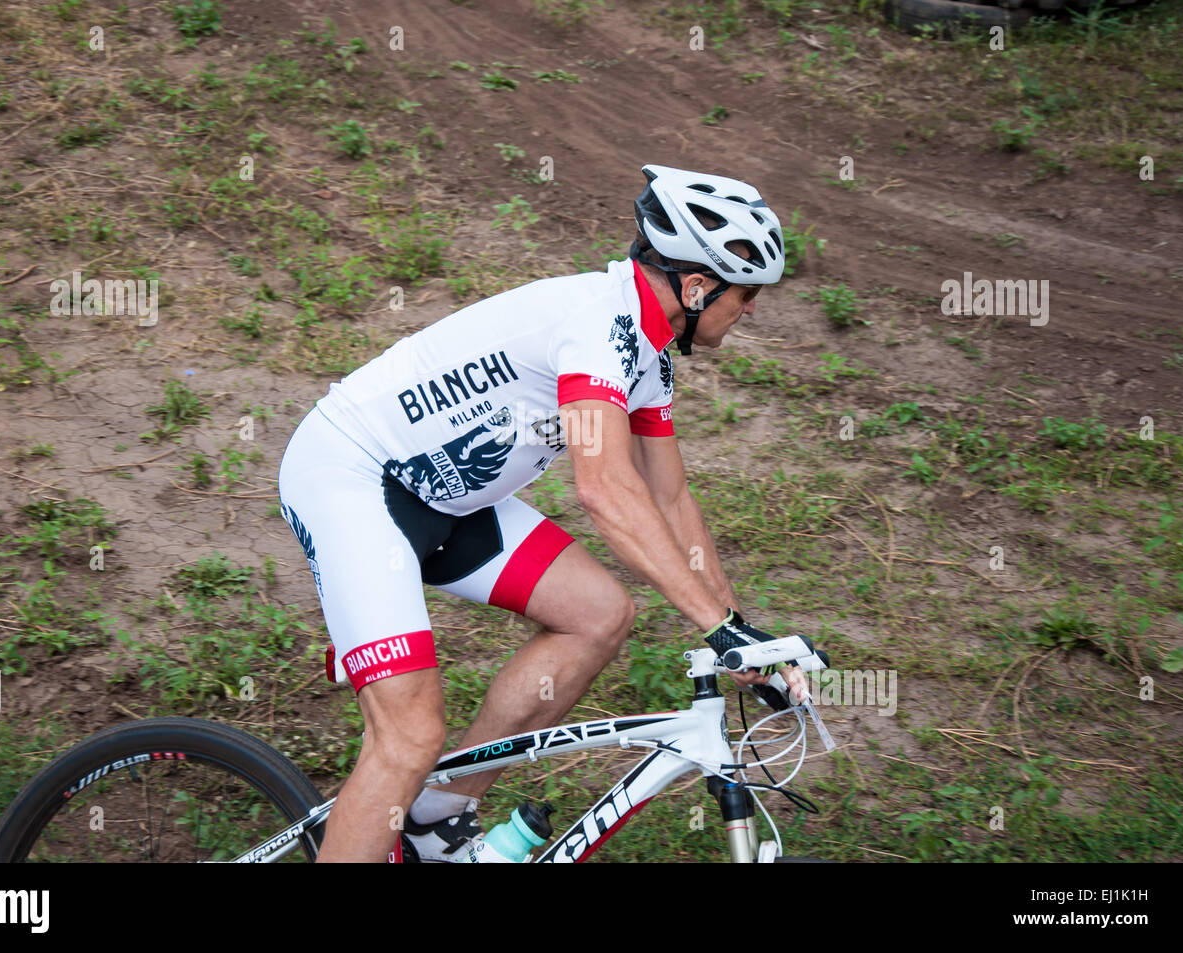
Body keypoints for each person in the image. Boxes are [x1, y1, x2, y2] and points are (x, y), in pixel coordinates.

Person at [277, 163, 813, 862]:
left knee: (598, 613)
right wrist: (716, 625)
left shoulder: (646, 355)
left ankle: (435, 815)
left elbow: (670, 497)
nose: (752, 308)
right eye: (746, 293)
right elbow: (606, 488)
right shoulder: (597, 324)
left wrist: (741, 633)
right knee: (408, 735)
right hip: (353, 476)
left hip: (448, 495)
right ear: (696, 284)